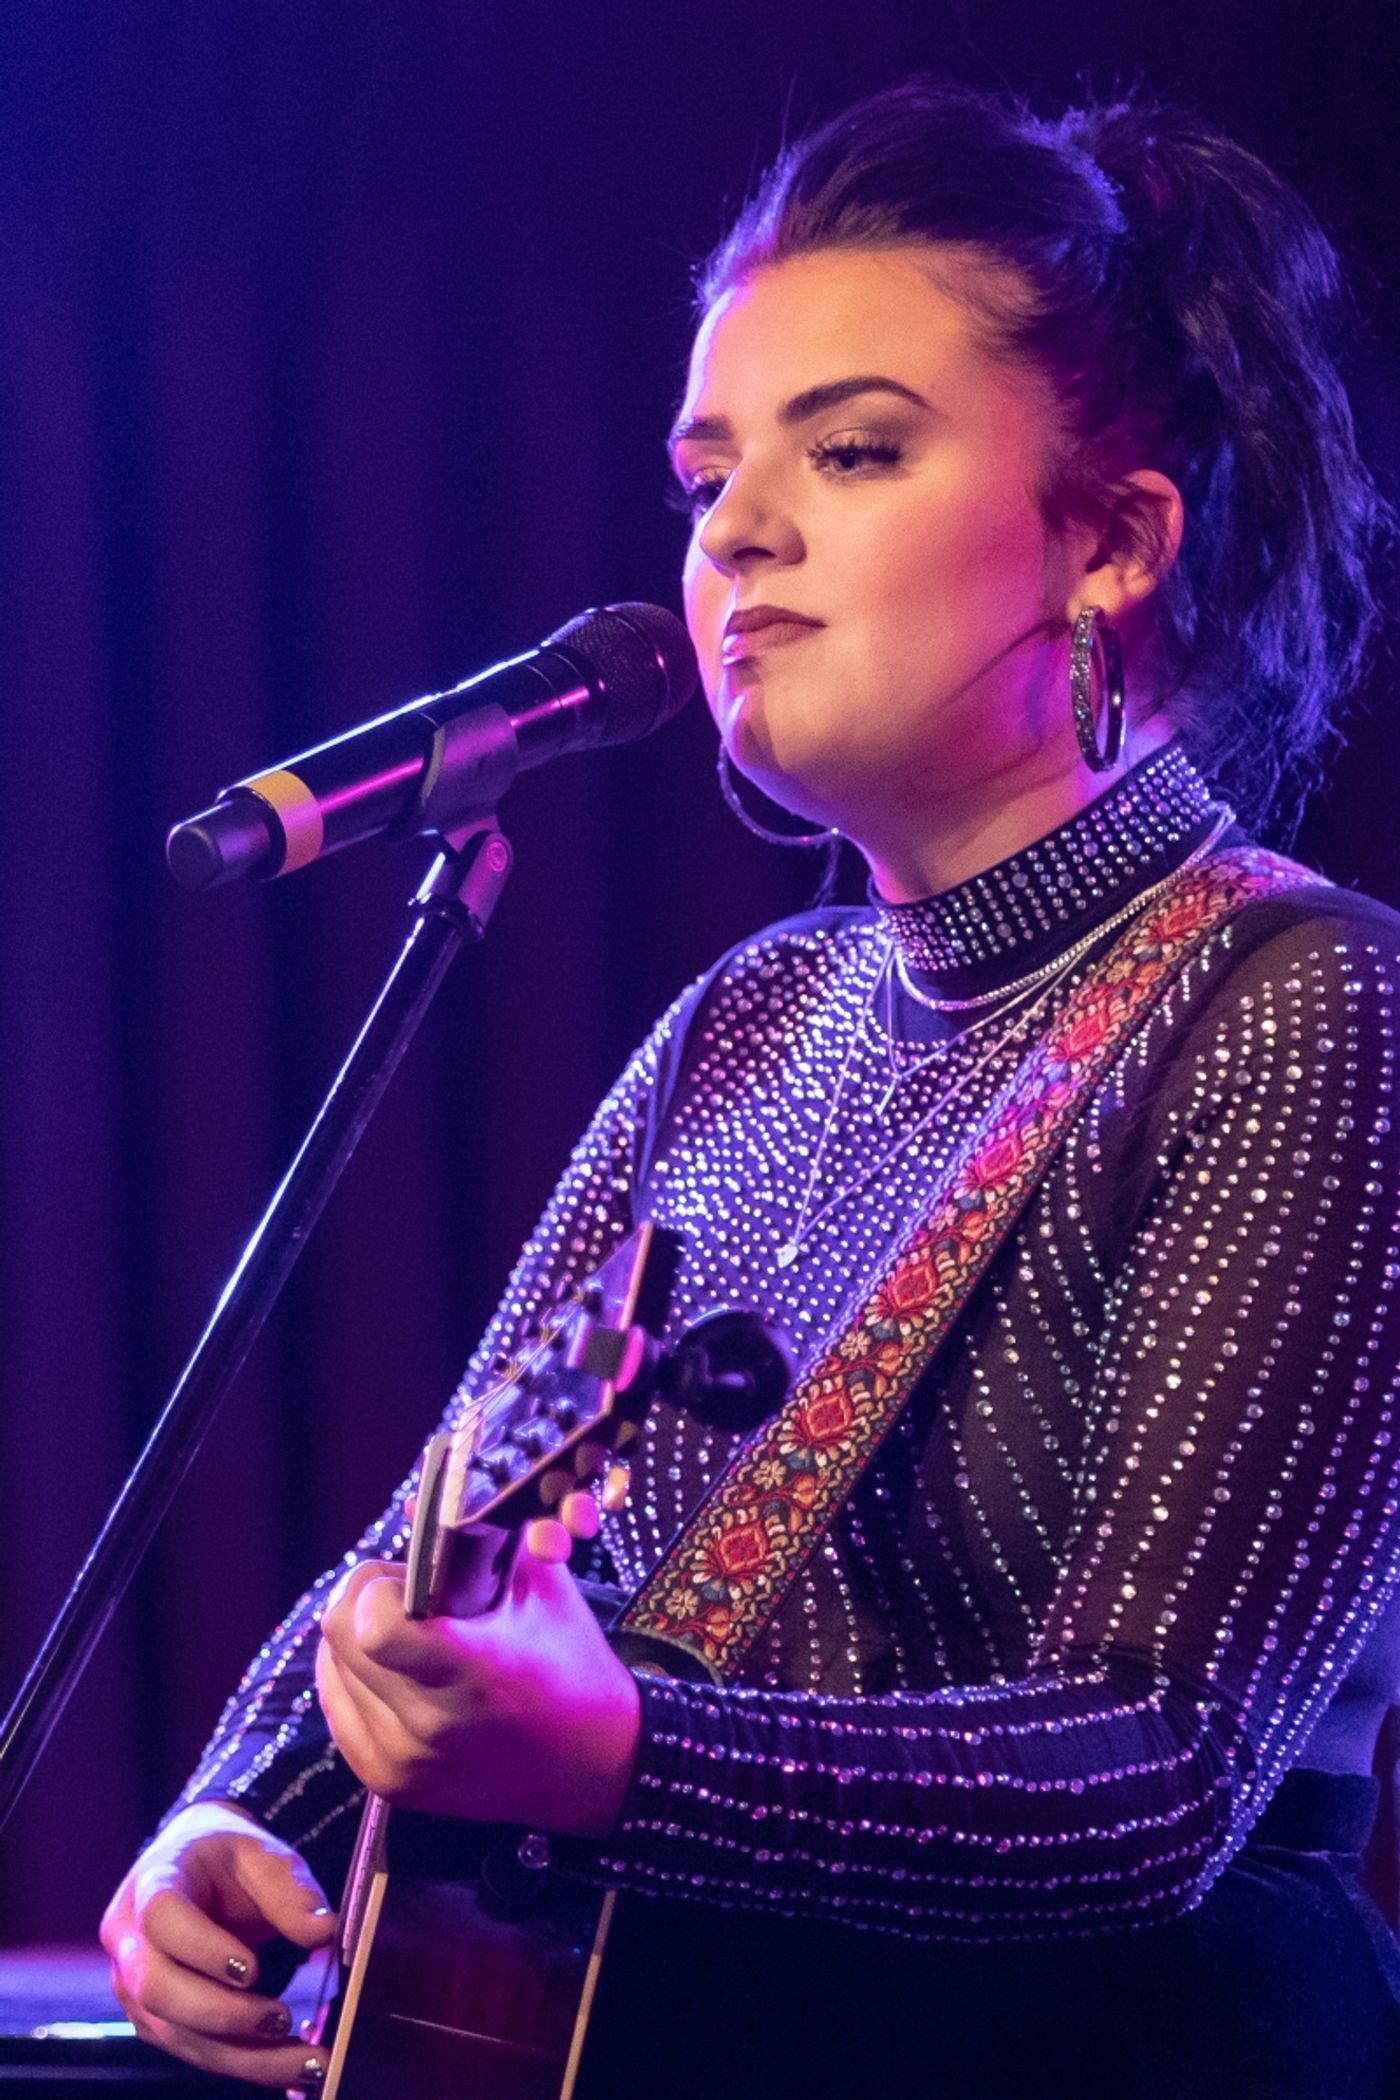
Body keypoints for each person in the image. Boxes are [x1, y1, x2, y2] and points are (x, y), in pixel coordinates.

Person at [103, 80, 1400, 2097]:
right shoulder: (747, 1018)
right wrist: (231, 1818)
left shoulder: (1303, 997)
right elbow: (434, 1516)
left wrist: (622, 1751)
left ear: (1117, 544)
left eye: (854, 450)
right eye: (707, 474)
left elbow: (1153, 1772)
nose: (735, 530)